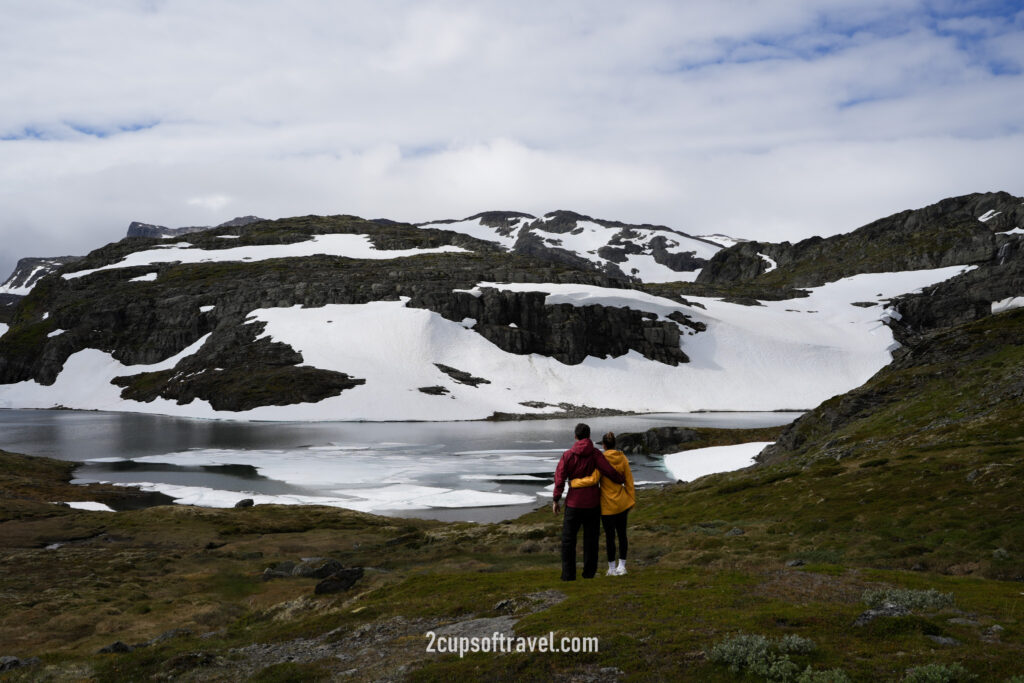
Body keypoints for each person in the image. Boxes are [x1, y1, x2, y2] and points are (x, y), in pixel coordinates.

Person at [552, 423, 625, 581]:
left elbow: (560, 477)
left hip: (573, 504)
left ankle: (568, 575)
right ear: (589, 436)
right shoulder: (595, 454)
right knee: (591, 540)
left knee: (568, 540)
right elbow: (608, 470)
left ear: (575, 436)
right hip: (592, 504)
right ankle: (589, 574)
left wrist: (556, 499)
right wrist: (621, 479)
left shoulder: (568, 455)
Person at [569, 431, 635, 576]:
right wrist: (631, 500)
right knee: (622, 535)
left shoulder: (601, 459)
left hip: (607, 506)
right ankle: (622, 566)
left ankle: (611, 569)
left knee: (610, 537)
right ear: (614, 444)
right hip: (622, 503)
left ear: (604, 445)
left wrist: (574, 482)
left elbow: (593, 479)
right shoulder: (622, 457)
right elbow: (629, 480)